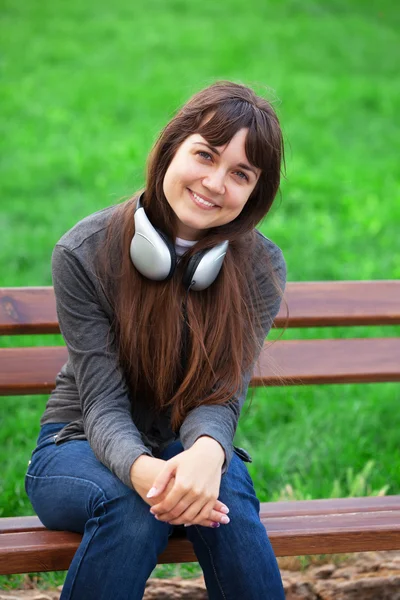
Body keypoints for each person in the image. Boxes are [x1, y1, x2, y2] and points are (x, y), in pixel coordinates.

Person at [25, 80, 287, 599]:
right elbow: (100, 404)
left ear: (255, 192)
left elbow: (221, 393)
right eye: (205, 155)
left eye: (240, 173)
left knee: (227, 486)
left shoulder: (260, 264)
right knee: (130, 503)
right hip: (75, 445)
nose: (215, 183)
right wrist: (145, 472)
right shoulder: (84, 251)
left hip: (181, 444)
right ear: (171, 149)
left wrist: (210, 453)